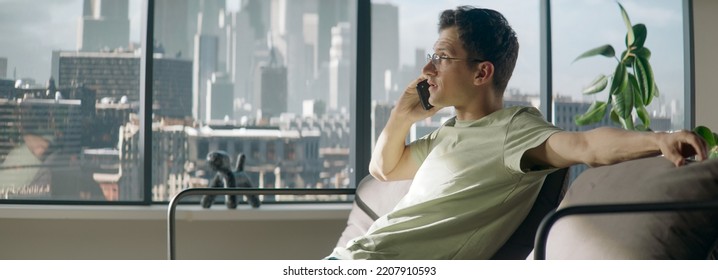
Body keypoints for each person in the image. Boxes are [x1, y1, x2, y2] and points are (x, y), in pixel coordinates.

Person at [327, 6, 707, 260]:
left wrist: (659, 139)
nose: (428, 67)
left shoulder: (514, 129)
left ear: (482, 73)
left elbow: (586, 145)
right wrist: (401, 114)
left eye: (442, 57)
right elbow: (384, 169)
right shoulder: (448, 134)